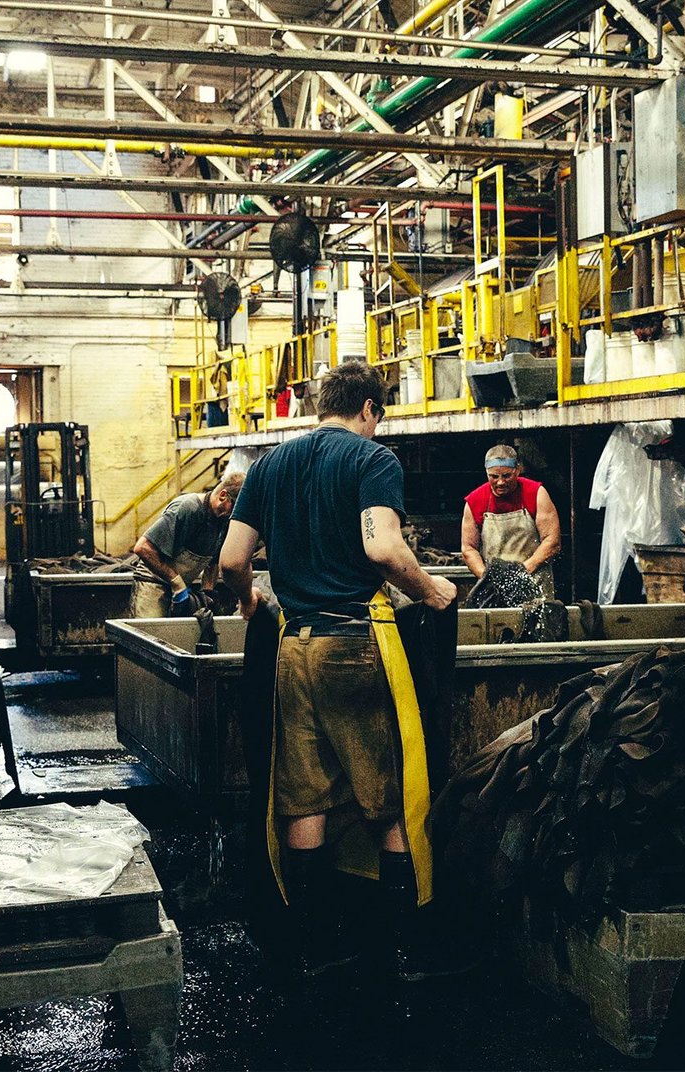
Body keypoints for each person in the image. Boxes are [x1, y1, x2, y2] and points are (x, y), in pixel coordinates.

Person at [218, 361, 462, 981]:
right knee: (394, 797)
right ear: (371, 409)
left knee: (304, 797)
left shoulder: (269, 465)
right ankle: (406, 949)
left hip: (290, 649)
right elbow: (381, 546)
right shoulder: (371, 461)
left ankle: (315, 946)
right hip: (358, 643)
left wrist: (251, 604)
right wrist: (431, 588)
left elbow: (231, 560)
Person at [130, 472, 243, 618]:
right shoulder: (187, 508)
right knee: (151, 637)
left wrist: (207, 593)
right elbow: (143, 548)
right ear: (223, 496)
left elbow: (212, 562)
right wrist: (176, 582)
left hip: (179, 589)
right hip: (152, 586)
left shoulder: (222, 521)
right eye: (234, 508)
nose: (234, 514)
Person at [459, 444, 562, 602]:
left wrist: (522, 572)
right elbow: (468, 548)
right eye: (494, 476)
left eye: (506, 476)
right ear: (487, 473)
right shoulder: (475, 501)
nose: (500, 482)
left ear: (518, 470)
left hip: (534, 582)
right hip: (495, 590)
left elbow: (552, 541)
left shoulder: (535, 493)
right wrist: (489, 579)